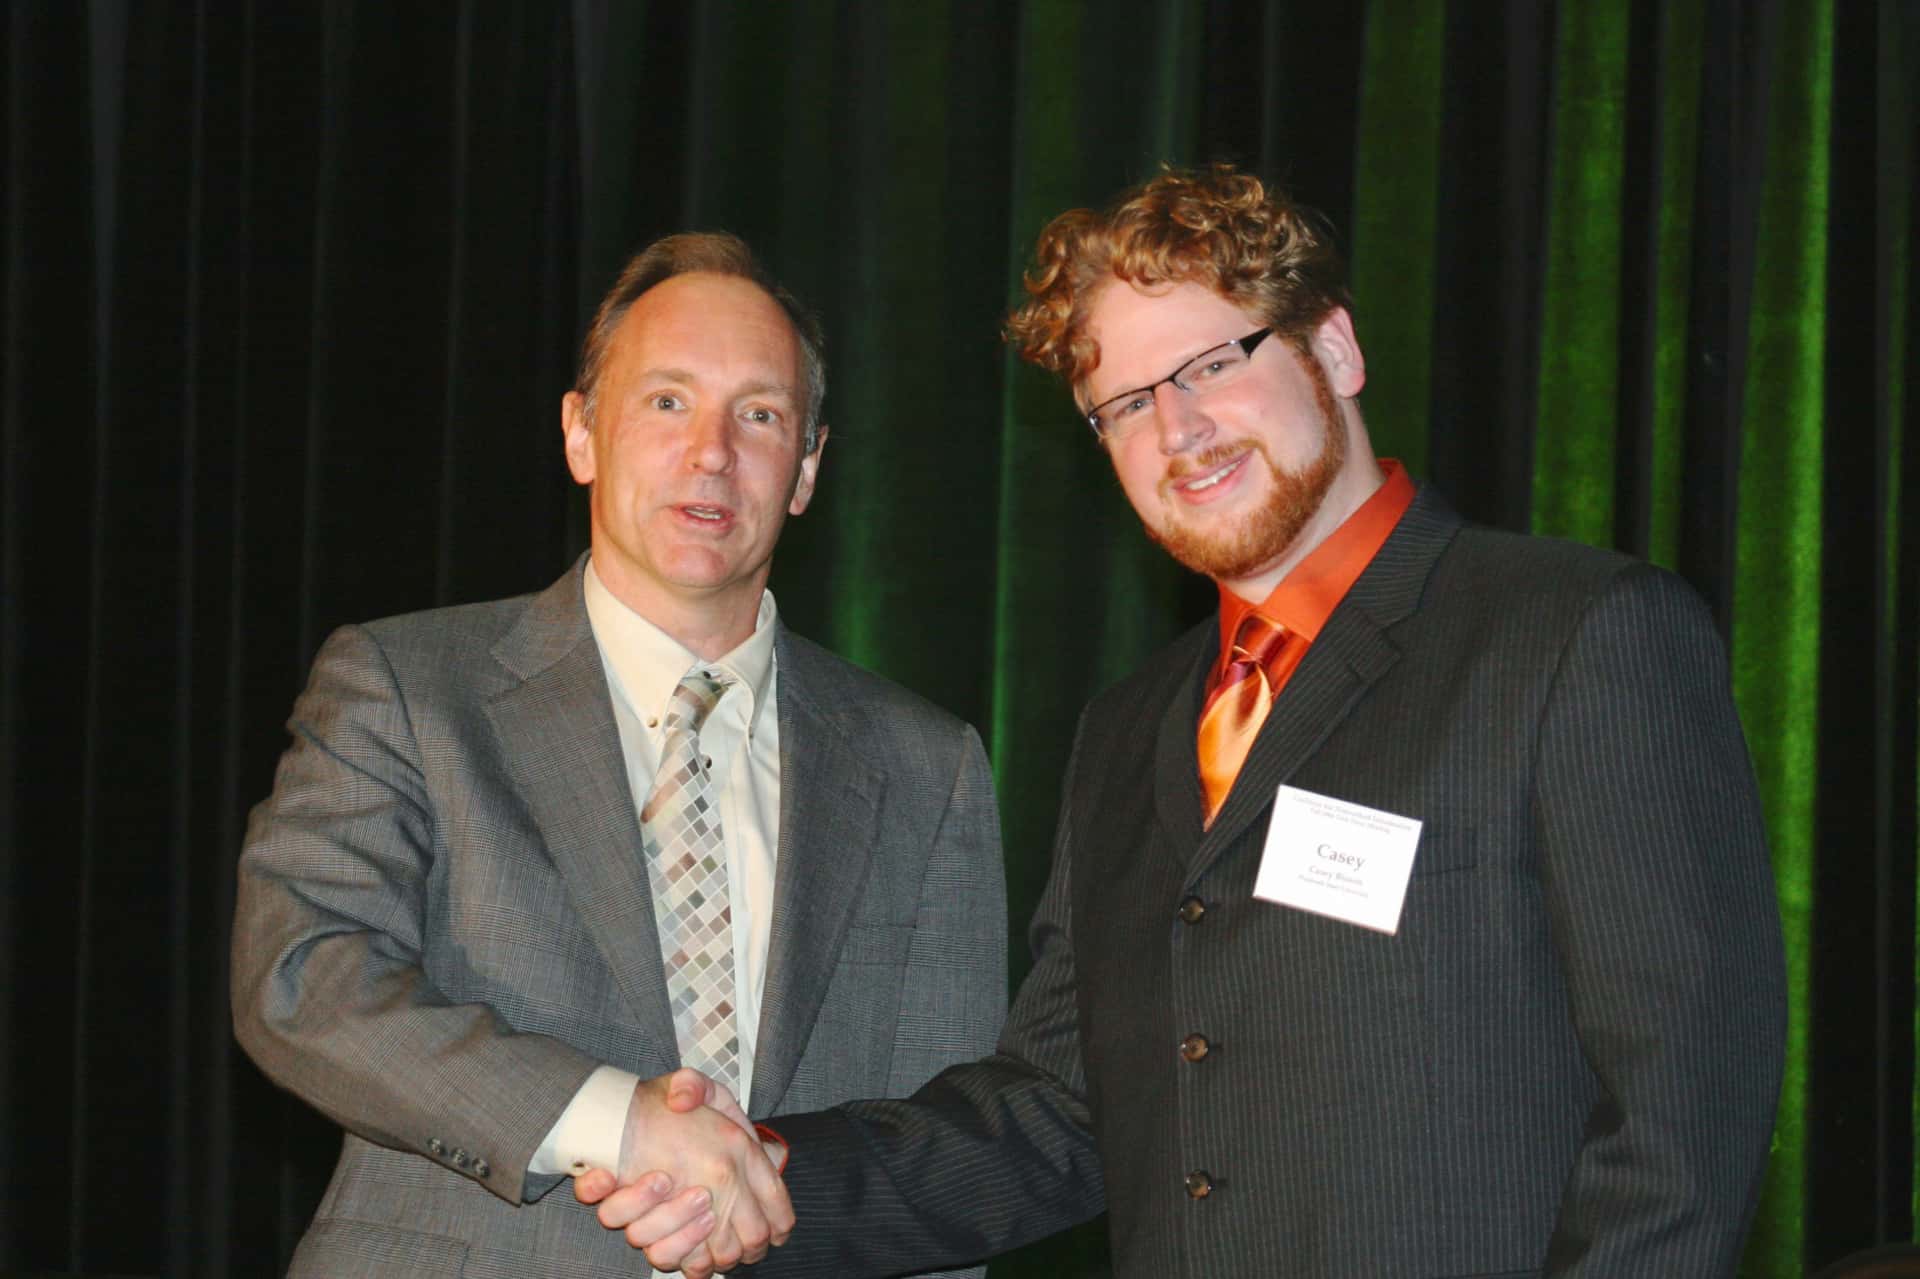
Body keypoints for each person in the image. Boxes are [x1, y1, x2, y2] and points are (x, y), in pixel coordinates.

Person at [582, 166, 1788, 1277]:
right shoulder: (1131, 729)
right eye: (1125, 405)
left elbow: (1686, 1108)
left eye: (1215, 364)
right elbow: (1057, 1111)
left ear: (1336, 347)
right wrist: (762, 1178)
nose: (1180, 430)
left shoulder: (1576, 637)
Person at [230, 231, 1006, 1278]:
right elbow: (303, 977)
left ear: (810, 468)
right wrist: (619, 1122)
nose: (712, 452)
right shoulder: (409, 686)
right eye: (667, 401)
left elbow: (945, 1164)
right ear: (581, 432)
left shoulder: (931, 766)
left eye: (761, 415)